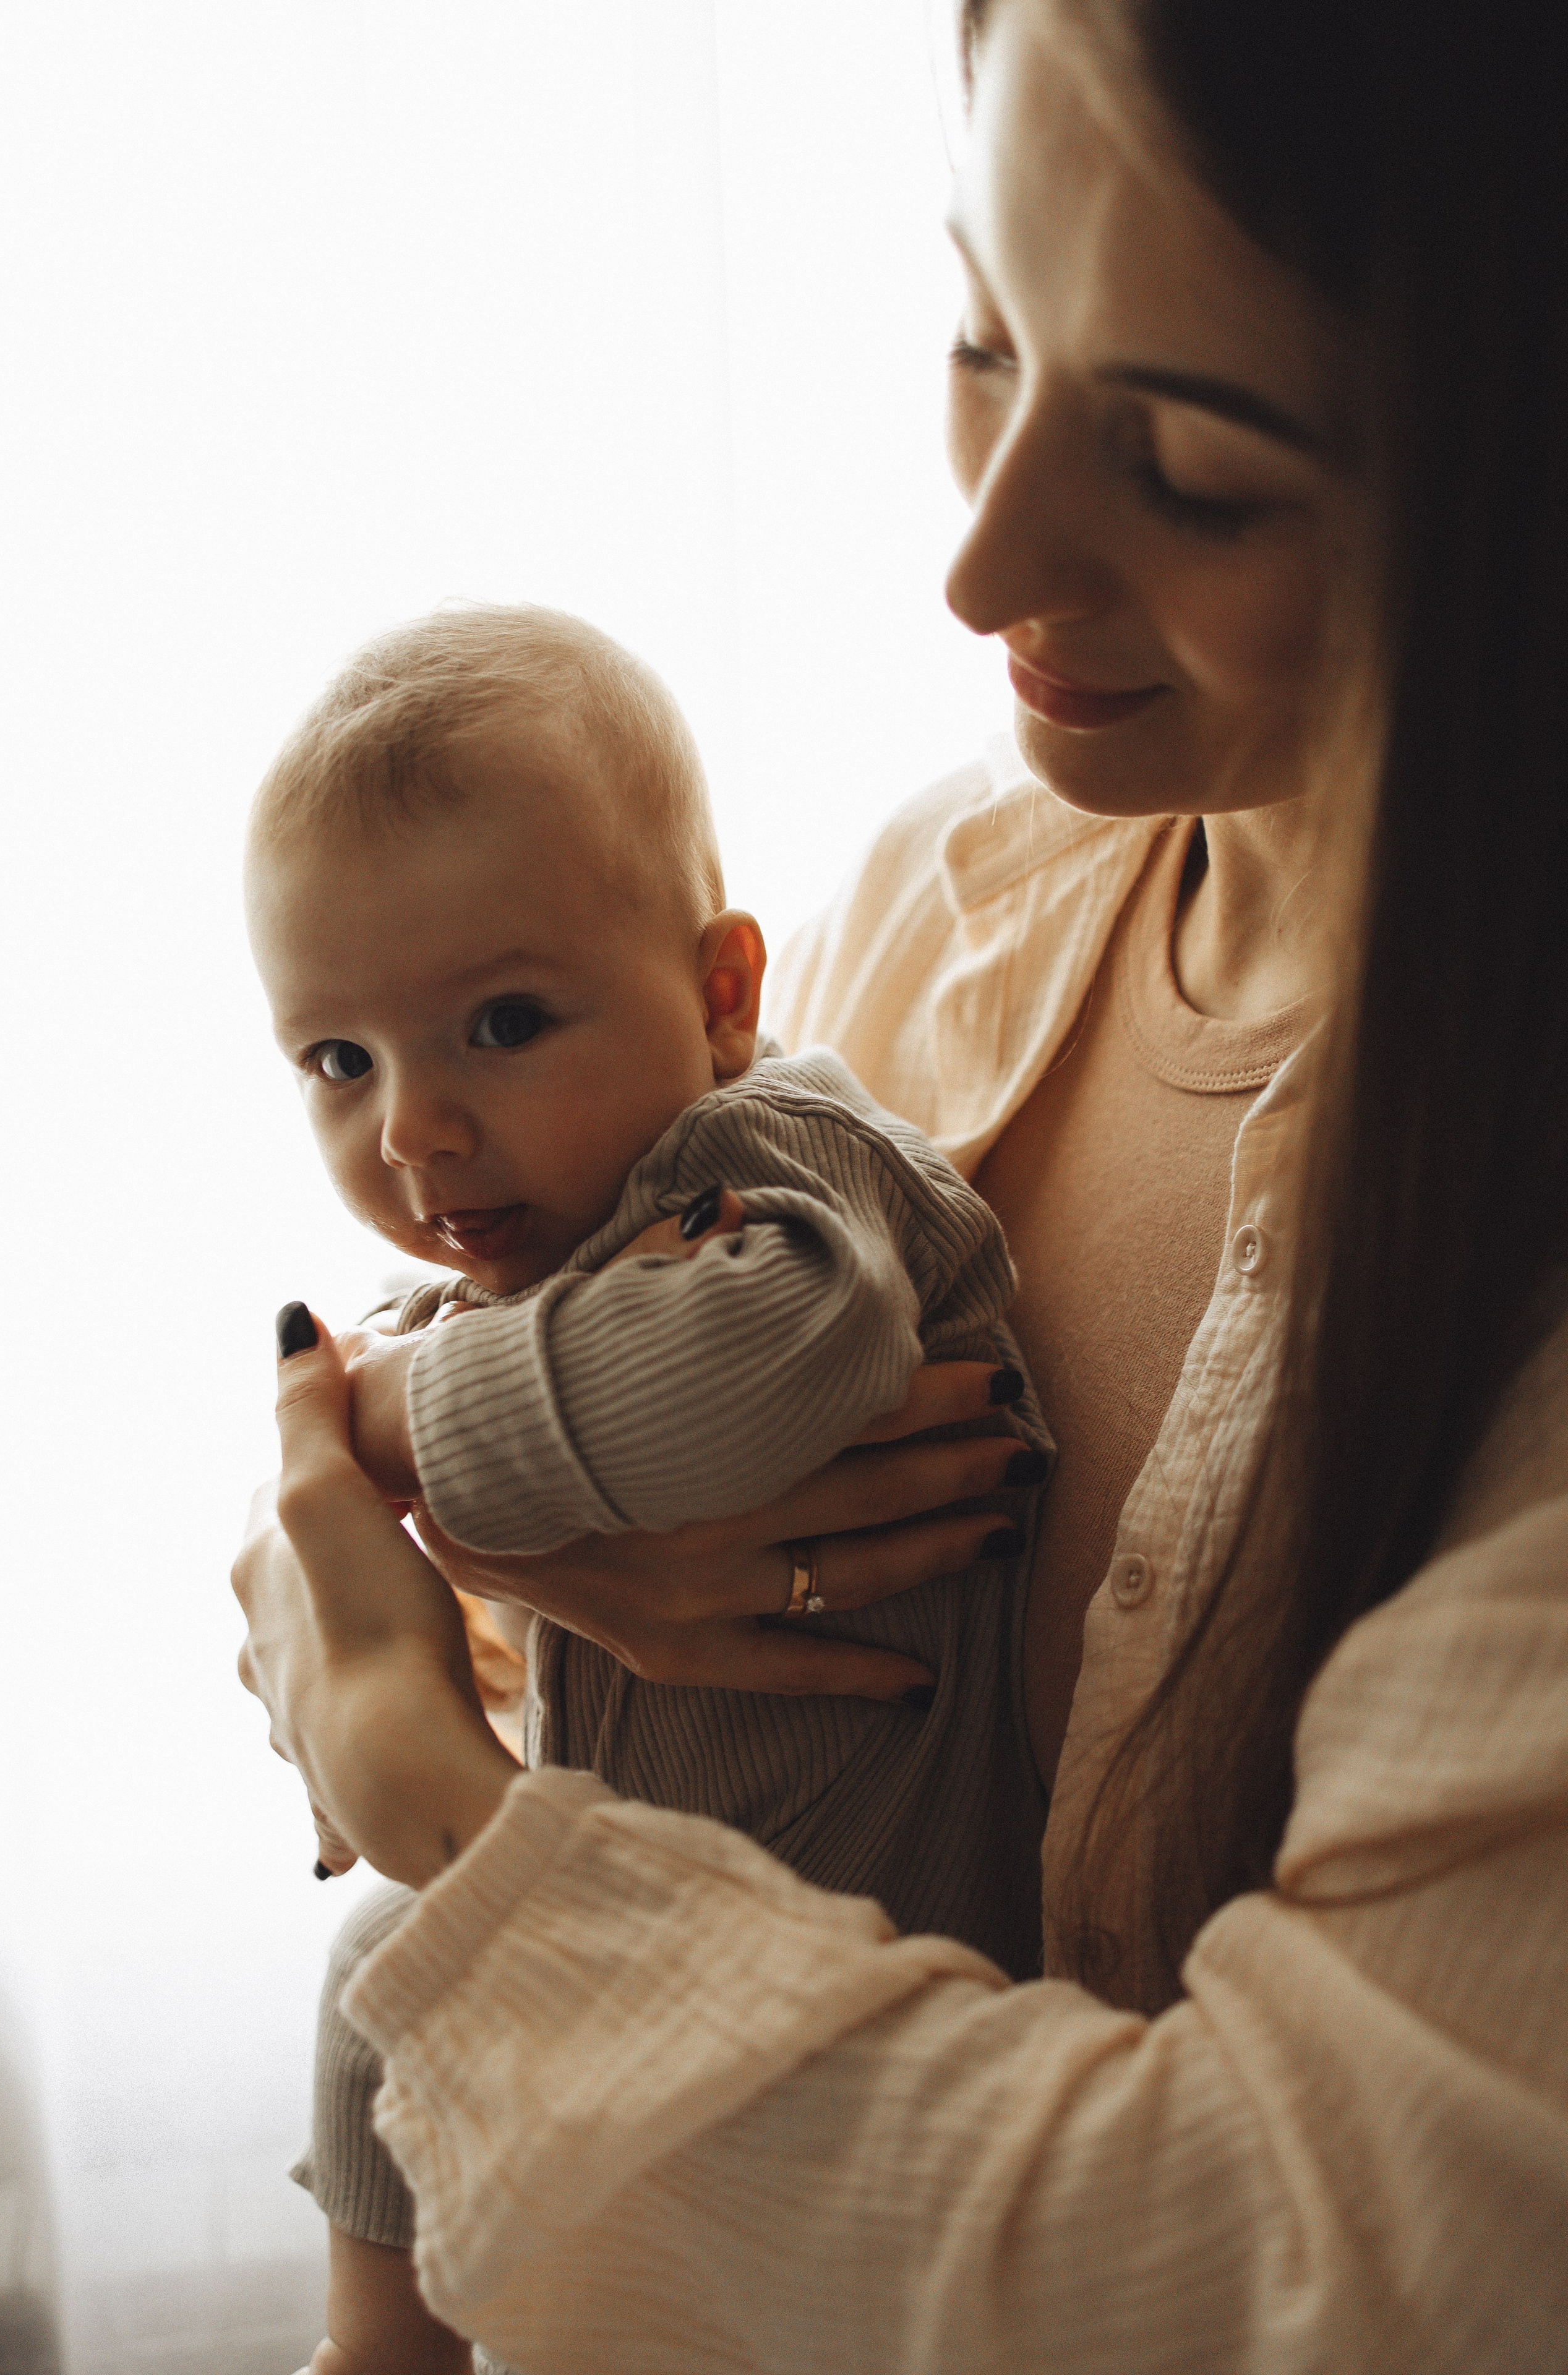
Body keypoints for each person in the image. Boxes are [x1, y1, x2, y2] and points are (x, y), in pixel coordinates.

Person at [235, 0, 1568, 2365]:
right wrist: (459, 1549)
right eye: (983, 329)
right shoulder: (962, 889)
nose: (978, 563)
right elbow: (577, 1544)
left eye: (1195, 470)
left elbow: (1268, 2263)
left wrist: (435, 1780)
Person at [244, 603, 1048, 2373]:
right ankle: (378, 2348)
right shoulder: (526, 1259)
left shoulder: (771, 1163)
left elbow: (773, 1359)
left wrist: (374, 1434)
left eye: (502, 1022)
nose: (415, 1131)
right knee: (391, 1969)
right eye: (339, 1060)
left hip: (856, 1986)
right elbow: (324, 1528)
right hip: (636, 1934)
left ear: (722, 993)